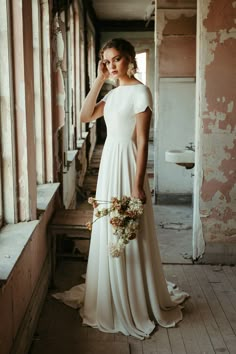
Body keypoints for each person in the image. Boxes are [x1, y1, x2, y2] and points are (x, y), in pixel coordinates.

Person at [53, 38, 189, 340]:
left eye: (116, 59)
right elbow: (85, 115)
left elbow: (141, 141)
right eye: (107, 60)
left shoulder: (141, 92)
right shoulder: (112, 95)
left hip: (128, 164)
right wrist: (99, 78)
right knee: (109, 227)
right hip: (109, 164)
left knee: (130, 230)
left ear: (130, 58)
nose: (112, 64)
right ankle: (111, 292)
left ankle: (135, 294)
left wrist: (137, 184)